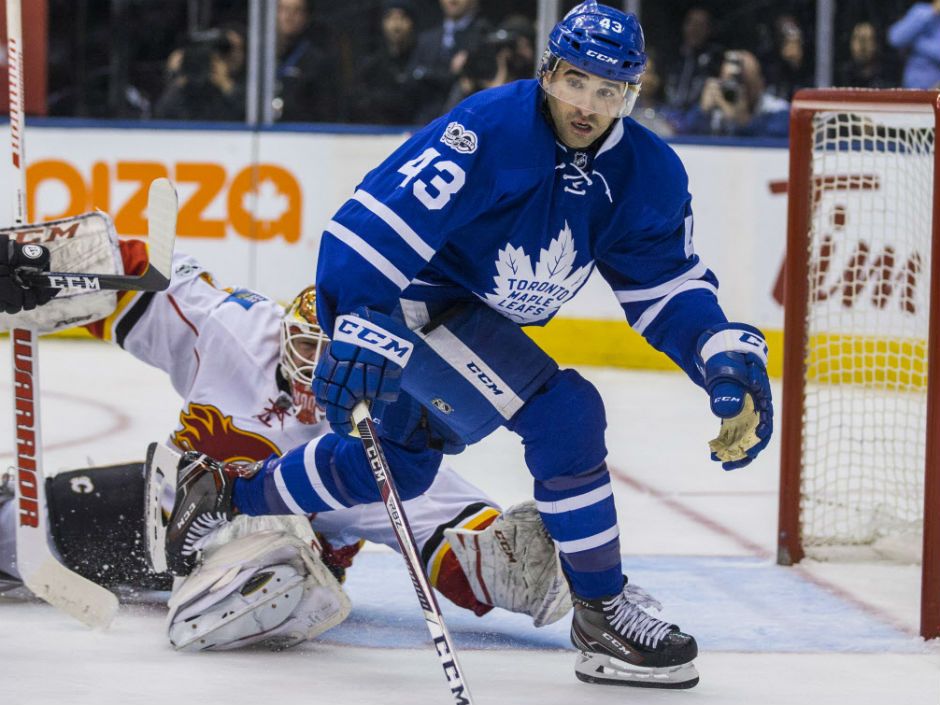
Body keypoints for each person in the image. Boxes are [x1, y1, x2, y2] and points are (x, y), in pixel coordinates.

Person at [159, 1, 773, 689]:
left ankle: (222, 489)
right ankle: (601, 611)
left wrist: (719, 350)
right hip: (416, 304)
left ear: (631, 93)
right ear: (549, 72)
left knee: (395, 470)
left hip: (473, 317)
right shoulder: (488, 132)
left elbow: (666, 287)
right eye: (575, 81)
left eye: (609, 91)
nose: (588, 105)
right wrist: (359, 318)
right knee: (564, 412)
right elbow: (366, 229)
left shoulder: (645, 173)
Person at [0, 236, 570, 650]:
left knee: (274, 554)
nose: (314, 379)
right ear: (285, 332)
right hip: (162, 515)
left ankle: (265, 586)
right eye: (304, 351)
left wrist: (550, 565)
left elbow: (462, 544)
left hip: (270, 561)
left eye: (333, 362)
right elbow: (134, 281)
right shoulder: (234, 330)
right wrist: (43, 266)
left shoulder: (389, 436)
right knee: (12, 525)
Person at [407, 0, 491, 123]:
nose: (452, 0)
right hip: (425, 125)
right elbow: (410, 84)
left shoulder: (484, 36)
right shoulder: (426, 39)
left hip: (467, 124)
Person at [679, 49, 790, 138]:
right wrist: (702, 112)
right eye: (729, 81)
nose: (738, 89)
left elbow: (775, 144)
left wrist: (743, 122)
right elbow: (681, 135)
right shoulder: (716, 104)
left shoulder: (777, 110)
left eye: (744, 82)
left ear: (761, 83)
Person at [346, 0, 420, 125]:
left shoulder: (422, 60)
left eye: (402, 18)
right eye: (390, 18)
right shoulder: (371, 66)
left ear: (412, 22)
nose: (396, 26)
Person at [273, 0, 341, 122]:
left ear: (306, 17)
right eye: (283, 9)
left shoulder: (317, 62)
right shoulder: (258, 57)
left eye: (297, 10)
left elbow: (325, 112)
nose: (289, 16)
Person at [663, 7, 723, 114]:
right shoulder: (671, 57)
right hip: (666, 117)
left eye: (701, 26)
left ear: (709, 30)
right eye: (692, 23)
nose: (695, 30)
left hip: (698, 122)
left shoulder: (715, 60)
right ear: (684, 27)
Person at [888, 1, 940, 89]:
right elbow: (895, 38)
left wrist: (914, 44)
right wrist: (932, 12)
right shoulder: (921, 11)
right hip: (913, 86)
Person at [837, 21, 899, 89]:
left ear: (877, 45)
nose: (862, 47)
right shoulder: (843, 75)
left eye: (869, 39)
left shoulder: (888, 75)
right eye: (858, 39)